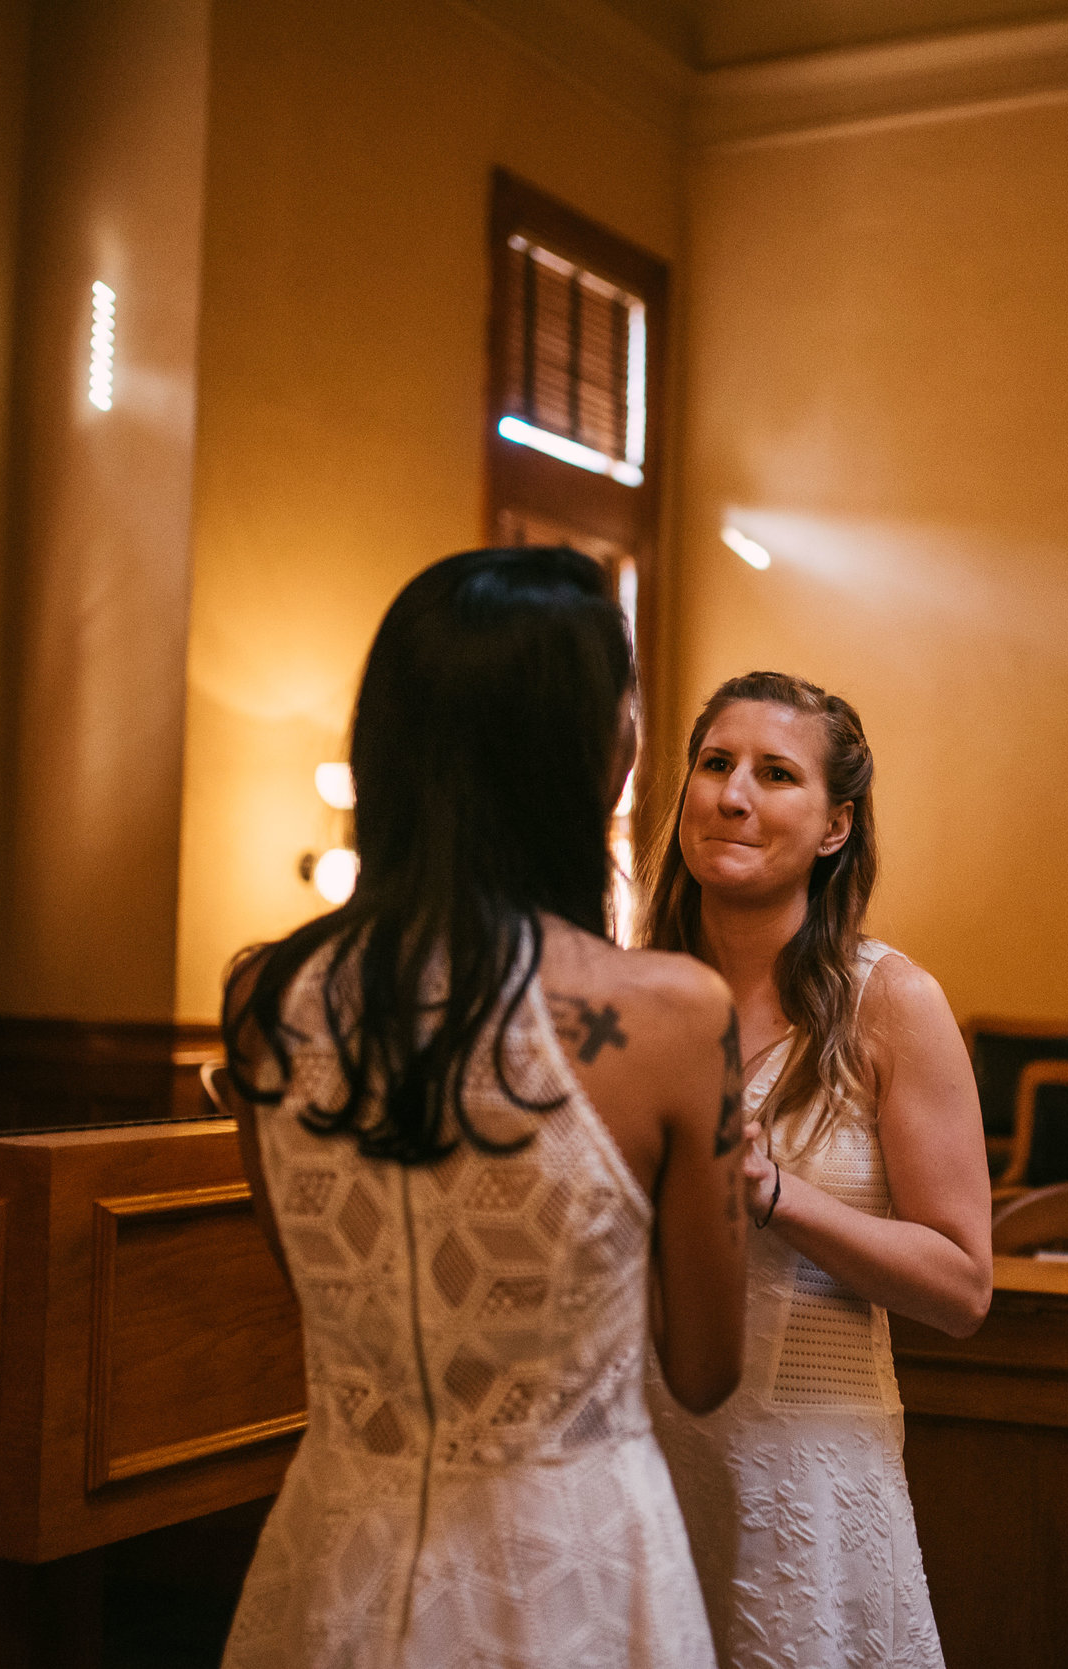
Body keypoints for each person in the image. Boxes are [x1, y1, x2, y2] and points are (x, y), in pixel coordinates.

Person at [218, 549, 747, 1669]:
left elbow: (307, 1284)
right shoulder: (670, 1014)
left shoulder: (267, 996)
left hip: (340, 1545)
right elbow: (704, 1365)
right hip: (572, 1565)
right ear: (596, 750)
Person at [641, 671, 994, 1669]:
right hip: (640, 1465)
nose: (732, 794)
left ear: (835, 826)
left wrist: (776, 1195)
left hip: (806, 1484)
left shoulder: (892, 1002)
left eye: (774, 772)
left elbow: (964, 1286)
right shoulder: (632, 996)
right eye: (714, 764)